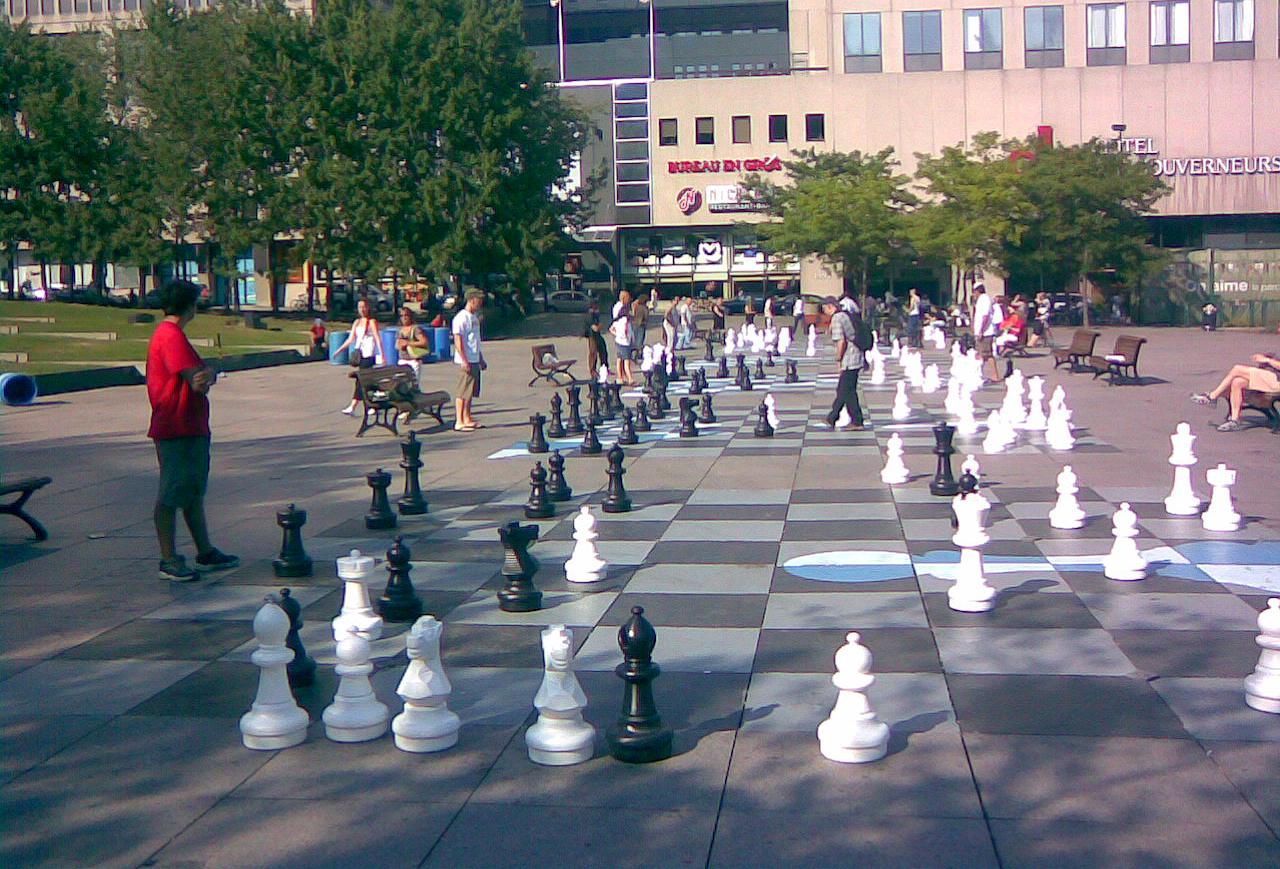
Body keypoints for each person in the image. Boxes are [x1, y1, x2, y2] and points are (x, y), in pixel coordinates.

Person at [146, 279, 239, 581]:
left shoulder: (171, 334)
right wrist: (210, 374)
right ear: (190, 305)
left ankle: (205, 550)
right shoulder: (170, 335)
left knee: (193, 491)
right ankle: (169, 559)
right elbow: (197, 380)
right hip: (177, 426)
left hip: (188, 425)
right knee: (172, 492)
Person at [1191, 352, 1280, 432]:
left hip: (1277, 381)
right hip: (1272, 378)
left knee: (1237, 369)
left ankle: (1212, 397)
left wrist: (1267, 360)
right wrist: (1264, 359)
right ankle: (1234, 420)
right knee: (1237, 382)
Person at [333, 297, 385, 415]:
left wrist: (382, 354)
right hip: (360, 355)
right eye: (359, 307)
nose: (361, 309)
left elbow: (377, 339)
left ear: (368, 308)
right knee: (368, 381)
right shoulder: (357, 322)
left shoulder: (372, 322)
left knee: (361, 381)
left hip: (368, 355)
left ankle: (353, 405)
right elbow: (351, 339)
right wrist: (339, 350)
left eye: (364, 307)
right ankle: (373, 405)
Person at [821, 296, 867, 430]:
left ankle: (857, 421)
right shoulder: (845, 315)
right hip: (857, 356)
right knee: (846, 389)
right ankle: (832, 417)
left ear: (830, 306)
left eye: (824, 309)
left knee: (846, 389)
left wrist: (838, 359)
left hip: (850, 358)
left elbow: (841, 341)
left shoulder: (837, 318)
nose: (824, 312)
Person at [452, 289, 486, 431]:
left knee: (470, 391)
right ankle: (459, 421)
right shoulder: (461, 318)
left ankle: (467, 417)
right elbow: (458, 340)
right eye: (479, 300)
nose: (480, 303)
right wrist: (464, 360)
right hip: (465, 360)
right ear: (472, 300)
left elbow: (475, 341)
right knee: (463, 390)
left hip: (474, 358)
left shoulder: (474, 318)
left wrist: (480, 358)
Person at [971, 284, 1003, 383]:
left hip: (985, 332)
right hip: (983, 332)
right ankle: (978, 374)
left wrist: (981, 331)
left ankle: (995, 376)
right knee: (981, 354)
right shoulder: (981, 300)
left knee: (986, 355)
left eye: (974, 291)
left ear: (978, 291)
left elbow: (985, 316)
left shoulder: (984, 299)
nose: (973, 294)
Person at [395, 306, 431, 386]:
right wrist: (400, 345)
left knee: (414, 384)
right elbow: (397, 345)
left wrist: (408, 343)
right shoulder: (400, 330)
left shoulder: (415, 329)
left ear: (410, 316)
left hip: (414, 360)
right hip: (402, 359)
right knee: (402, 385)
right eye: (402, 316)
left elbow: (424, 342)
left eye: (406, 315)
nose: (404, 318)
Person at [610, 304, 635, 385]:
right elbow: (627, 331)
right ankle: (630, 379)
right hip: (625, 343)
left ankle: (620, 377)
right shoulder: (625, 321)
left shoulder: (617, 321)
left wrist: (616, 334)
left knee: (619, 359)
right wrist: (627, 338)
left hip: (618, 342)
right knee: (627, 362)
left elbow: (611, 329)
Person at [583, 301, 609, 374]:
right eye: (597, 308)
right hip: (592, 336)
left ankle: (604, 367)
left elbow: (600, 326)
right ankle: (592, 370)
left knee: (603, 350)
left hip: (598, 335)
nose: (598, 310)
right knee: (593, 353)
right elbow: (595, 328)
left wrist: (599, 326)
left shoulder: (595, 316)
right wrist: (599, 326)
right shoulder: (589, 316)